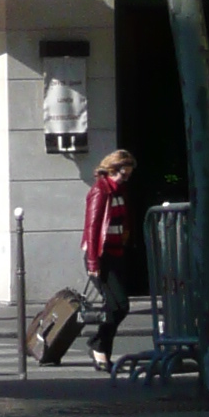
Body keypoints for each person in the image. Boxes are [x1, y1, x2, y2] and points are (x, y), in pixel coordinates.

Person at [82, 148, 137, 373]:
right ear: (112, 170)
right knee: (119, 305)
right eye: (123, 174)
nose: (125, 179)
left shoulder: (118, 191)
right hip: (101, 256)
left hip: (116, 253)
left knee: (115, 306)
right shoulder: (100, 191)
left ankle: (101, 349)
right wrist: (94, 262)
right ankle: (98, 346)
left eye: (128, 175)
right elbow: (93, 228)